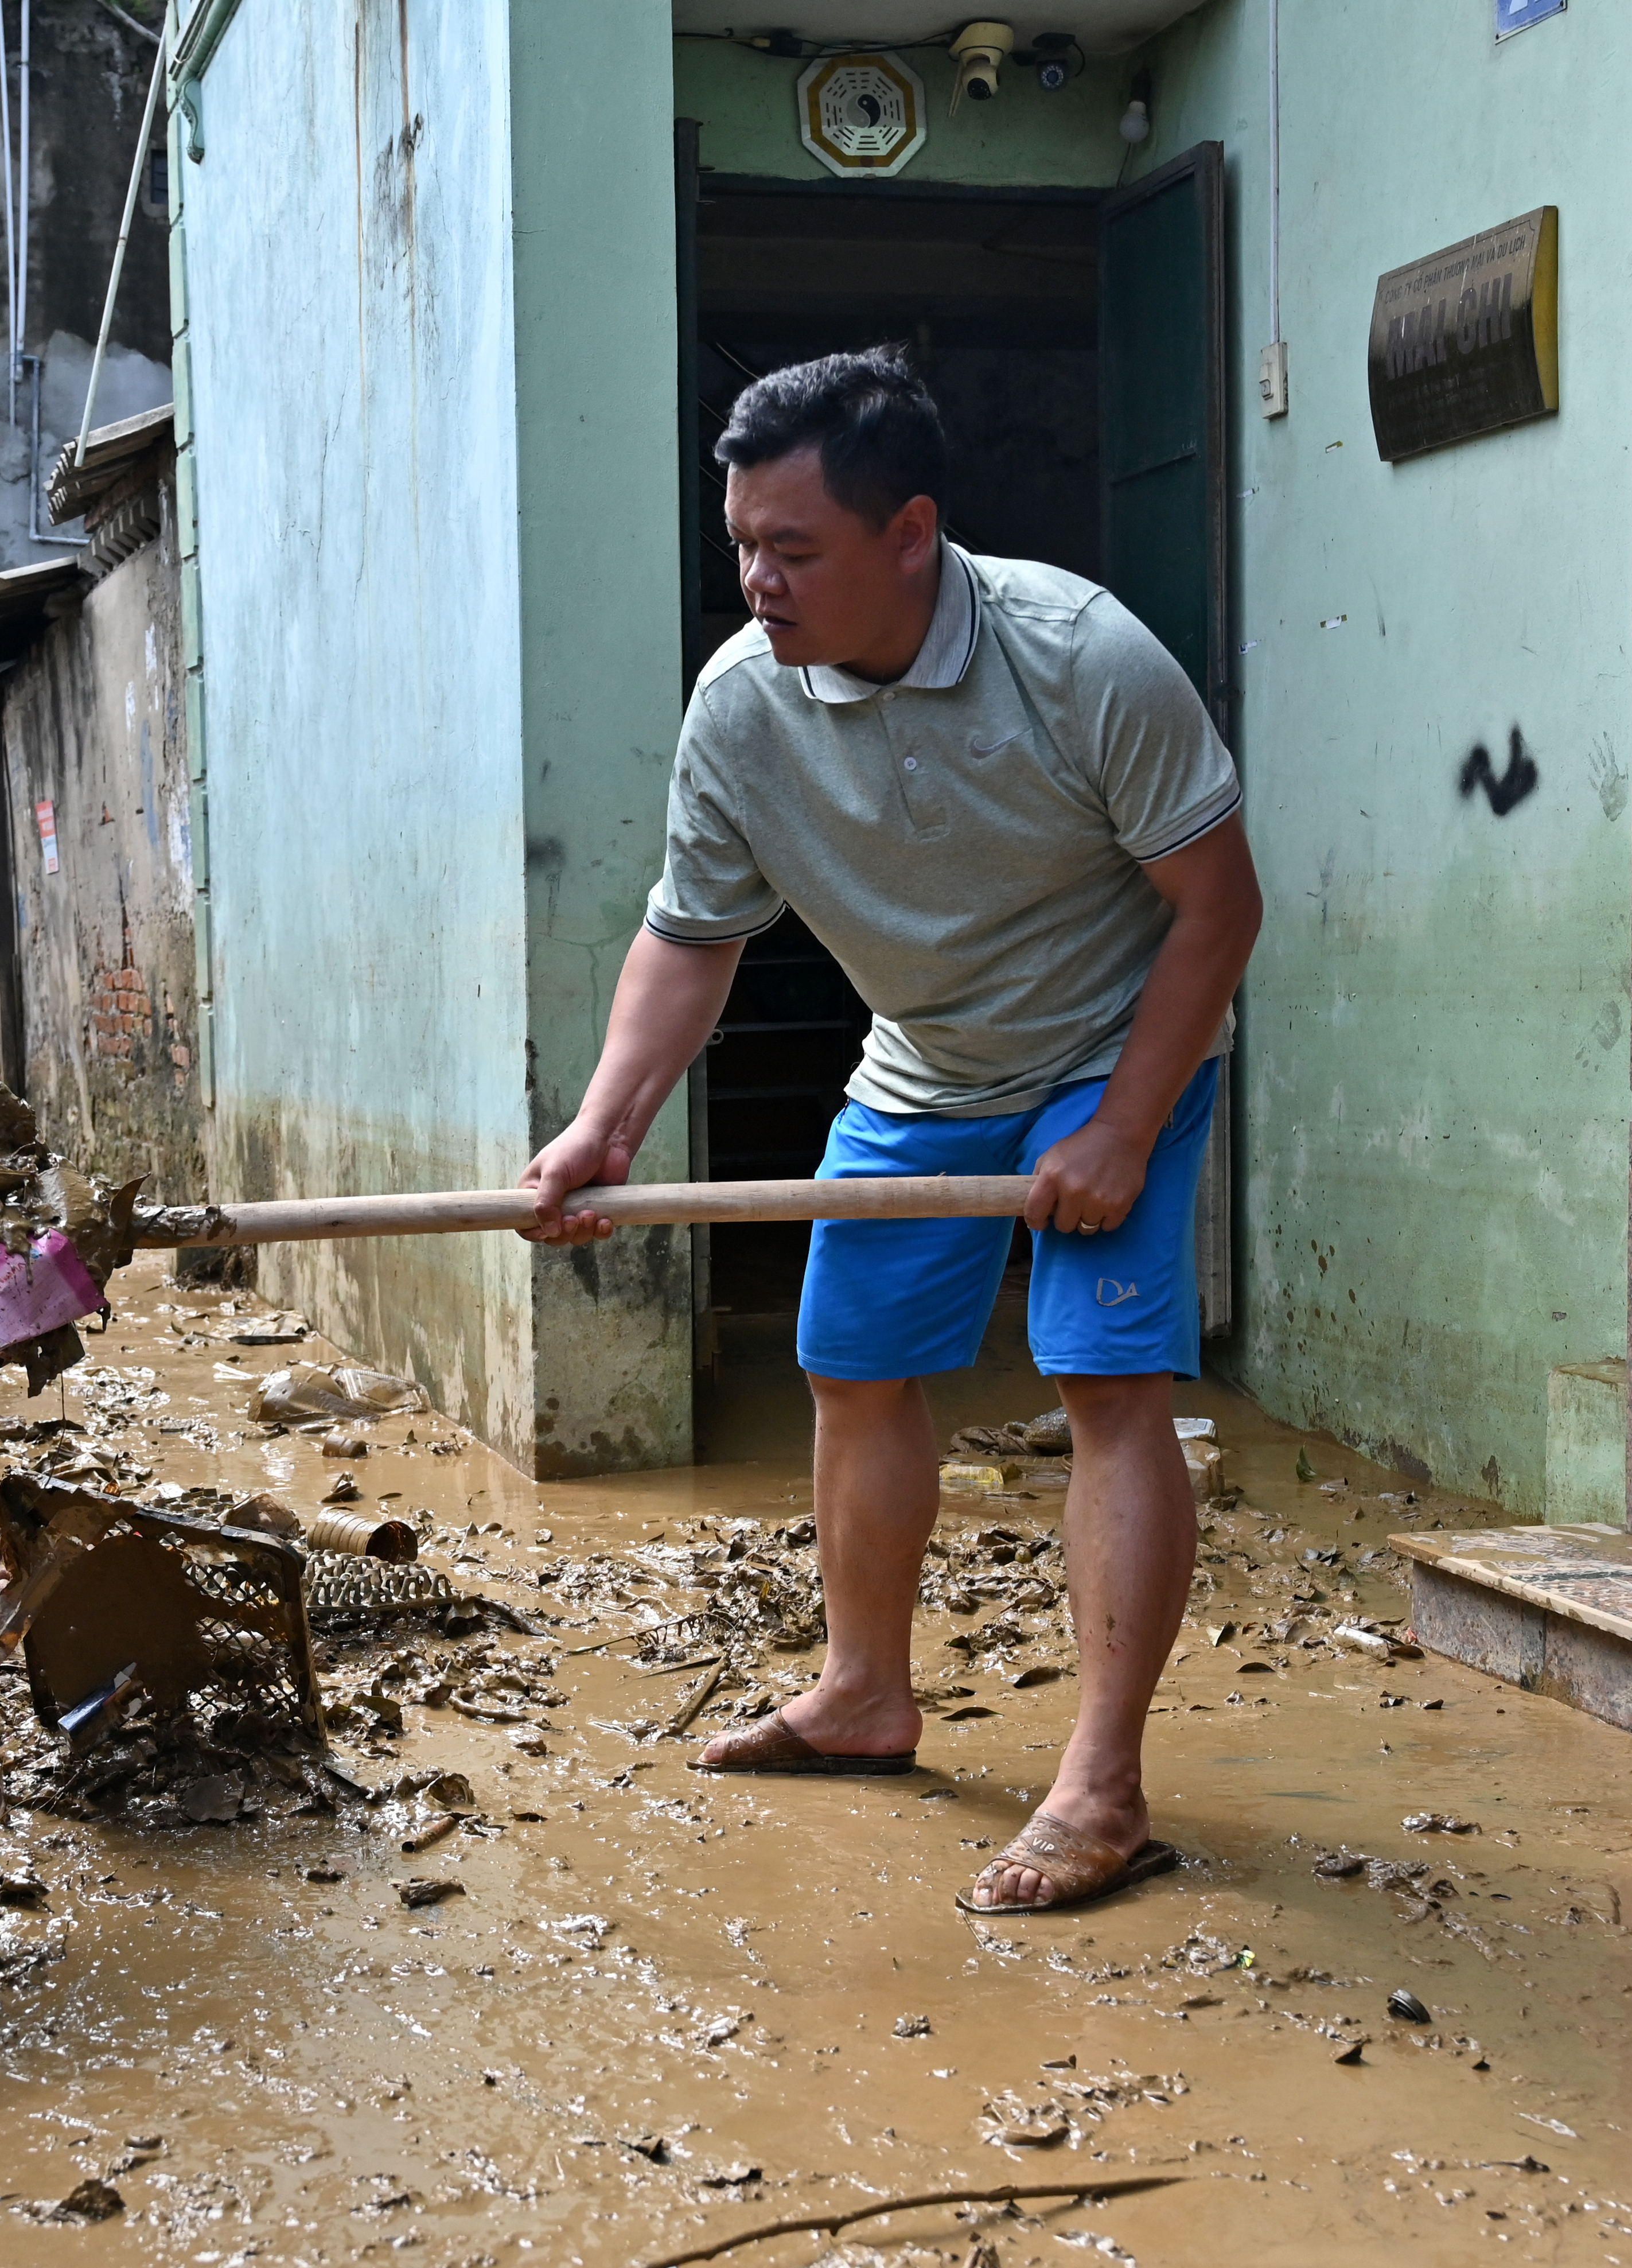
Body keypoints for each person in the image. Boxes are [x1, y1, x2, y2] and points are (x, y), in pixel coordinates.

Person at [520, 348, 1263, 1917]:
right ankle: (865, 1692)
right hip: (924, 1066)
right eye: (743, 543)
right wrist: (607, 1125)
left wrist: (1126, 1127)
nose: (758, 579)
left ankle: (1103, 1786)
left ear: (910, 533)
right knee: (851, 1364)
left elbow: (1218, 910)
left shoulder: (1079, 660)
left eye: (794, 548)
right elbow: (692, 938)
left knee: (1103, 1376)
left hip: (1108, 1044)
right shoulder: (741, 707)